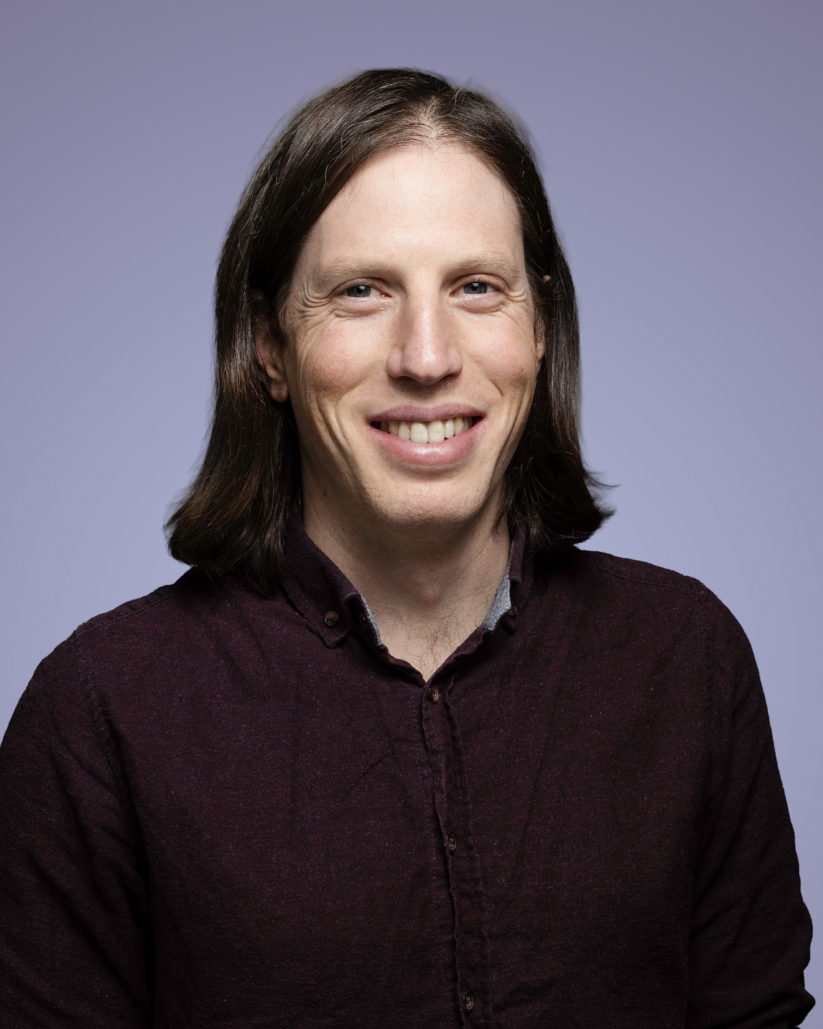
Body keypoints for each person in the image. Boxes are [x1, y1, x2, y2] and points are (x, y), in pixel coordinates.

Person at [0, 68, 813, 1029]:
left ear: (539, 327)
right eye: (360, 291)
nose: (426, 357)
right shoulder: (101, 709)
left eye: (477, 287)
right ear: (268, 346)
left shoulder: (686, 659)